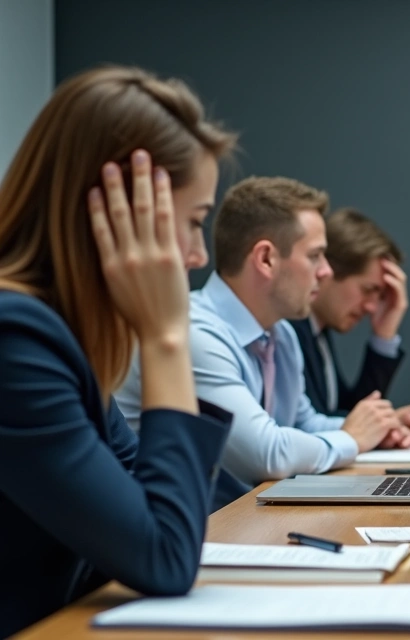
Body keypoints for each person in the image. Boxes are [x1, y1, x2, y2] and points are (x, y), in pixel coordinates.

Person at [0, 67, 236, 637]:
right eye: (193, 223)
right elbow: (166, 555)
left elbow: (163, 506)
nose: (198, 254)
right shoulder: (14, 340)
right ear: (119, 216)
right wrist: (165, 337)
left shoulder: (59, 337)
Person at [116, 176, 404, 507]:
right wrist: (351, 438)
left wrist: (379, 427)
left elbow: (304, 423)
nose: (326, 272)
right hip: (175, 530)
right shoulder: (195, 332)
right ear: (266, 259)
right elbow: (266, 454)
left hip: (234, 518)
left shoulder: (281, 334)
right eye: (315, 256)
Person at [287, 207, 410, 437]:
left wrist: (383, 336)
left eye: (380, 297)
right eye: (368, 290)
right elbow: (306, 426)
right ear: (328, 272)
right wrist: (384, 422)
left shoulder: (319, 331)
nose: (371, 307)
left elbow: (346, 411)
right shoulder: (289, 328)